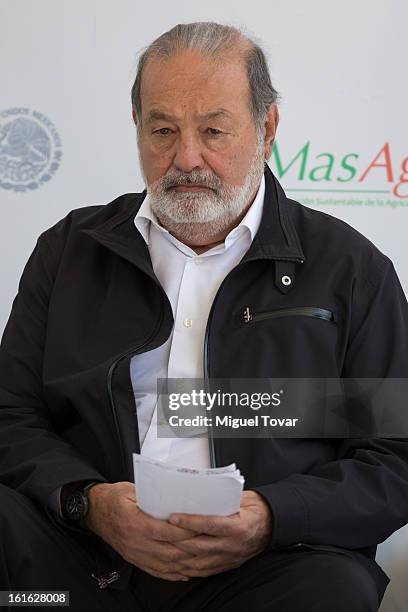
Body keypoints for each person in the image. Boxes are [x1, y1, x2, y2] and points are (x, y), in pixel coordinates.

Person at [0, 21, 407, 612]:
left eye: (213, 130)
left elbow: (395, 456)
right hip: (82, 567)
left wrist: (272, 516)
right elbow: (10, 415)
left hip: (269, 569)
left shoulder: (348, 268)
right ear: (137, 129)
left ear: (266, 129)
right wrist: (88, 502)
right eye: (163, 130)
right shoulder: (70, 252)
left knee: (332, 593)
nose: (186, 158)